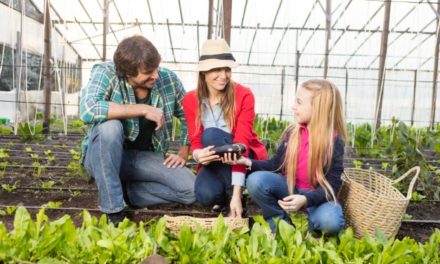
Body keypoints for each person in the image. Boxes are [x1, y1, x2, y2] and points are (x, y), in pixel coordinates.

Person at [80, 35, 196, 224]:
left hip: (142, 158)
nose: (156, 75)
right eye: (148, 72)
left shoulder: (168, 79)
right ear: (127, 72)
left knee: (191, 190)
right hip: (102, 156)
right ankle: (114, 210)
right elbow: (88, 109)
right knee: (110, 128)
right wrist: (143, 109)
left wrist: (184, 151)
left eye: (156, 68)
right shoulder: (106, 73)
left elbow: (189, 115)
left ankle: (126, 191)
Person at [223, 79, 346, 234]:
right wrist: (247, 162)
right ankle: (281, 224)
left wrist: (306, 200)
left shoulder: (334, 141)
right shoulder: (292, 133)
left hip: (318, 196)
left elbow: (333, 186)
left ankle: (311, 226)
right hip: (290, 188)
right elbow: (276, 165)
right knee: (256, 180)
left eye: (299, 102)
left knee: (331, 223)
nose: (294, 106)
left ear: (318, 108)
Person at [182, 39, 268, 218]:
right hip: (215, 162)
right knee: (205, 195)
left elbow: (241, 145)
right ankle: (224, 197)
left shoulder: (244, 95)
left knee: (211, 135)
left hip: (243, 158)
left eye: (227, 69)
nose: (223, 75)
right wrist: (198, 155)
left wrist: (236, 195)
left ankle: (234, 198)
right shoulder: (191, 99)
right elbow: (196, 141)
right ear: (204, 72)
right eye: (216, 69)